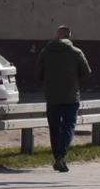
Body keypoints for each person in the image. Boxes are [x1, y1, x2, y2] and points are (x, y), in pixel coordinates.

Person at [37, 25, 91, 172]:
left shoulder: (45, 52)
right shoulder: (76, 52)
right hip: (71, 96)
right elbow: (86, 73)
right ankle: (61, 156)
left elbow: (39, 74)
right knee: (68, 126)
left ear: (57, 35)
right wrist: (74, 80)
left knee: (54, 128)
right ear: (69, 37)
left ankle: (57, 157)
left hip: (52, 97)